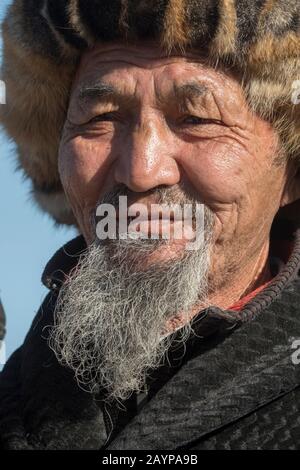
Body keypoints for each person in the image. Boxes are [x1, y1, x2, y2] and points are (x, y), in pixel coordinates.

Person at [0, 0, 300, 450]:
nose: (141, 170)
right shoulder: (14, 399)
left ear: (291, 172)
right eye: (102, 117)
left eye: (196, 118)